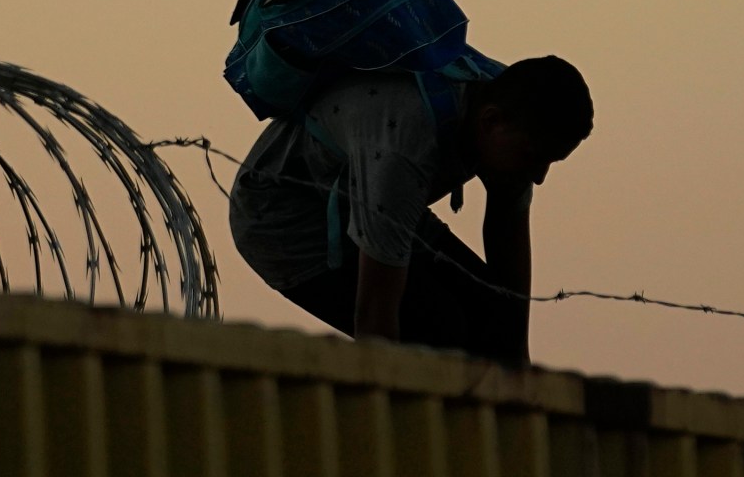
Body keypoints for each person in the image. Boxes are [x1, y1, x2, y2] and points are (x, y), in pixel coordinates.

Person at [228, 50, 593, 364]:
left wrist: (518, 365)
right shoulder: (404, 149)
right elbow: (375, 318)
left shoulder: (506, 108)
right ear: (490, 120)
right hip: (284, 218)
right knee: (439, 331)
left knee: (496, 323)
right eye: (534, 158)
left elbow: (507, 254)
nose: (540, 176)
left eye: (551, 162)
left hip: (375, 195)